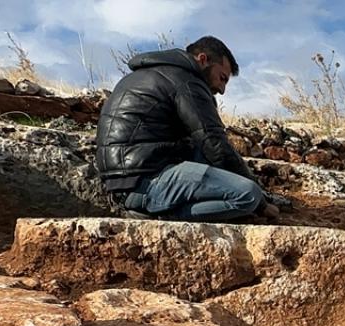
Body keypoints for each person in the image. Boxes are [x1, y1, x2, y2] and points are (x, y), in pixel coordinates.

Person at [95, 36, 282, 222]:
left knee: (199, 151)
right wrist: (261, 202)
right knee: (248, 195)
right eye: (222, 78)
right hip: (145, 182)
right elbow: (214, 143)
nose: (222, 89)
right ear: (203, 59)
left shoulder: (147, 75)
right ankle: (164, 215)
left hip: (124, 183)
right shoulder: (186, 81)